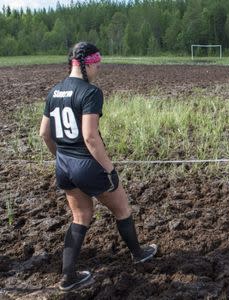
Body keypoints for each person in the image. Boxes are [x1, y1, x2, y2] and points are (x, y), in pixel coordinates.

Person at [39, 42, 157, 292]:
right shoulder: (90, 92)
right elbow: (91, 137)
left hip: (64, 165)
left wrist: (60, 157)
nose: (99, 69)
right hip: (87, 164)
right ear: (88, 64)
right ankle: (139, 254)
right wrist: (109, 169)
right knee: (122, 208)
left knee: (80, 217)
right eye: (98, 65)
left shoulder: (54, 92)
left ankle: (68, 277)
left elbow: (44, 133)